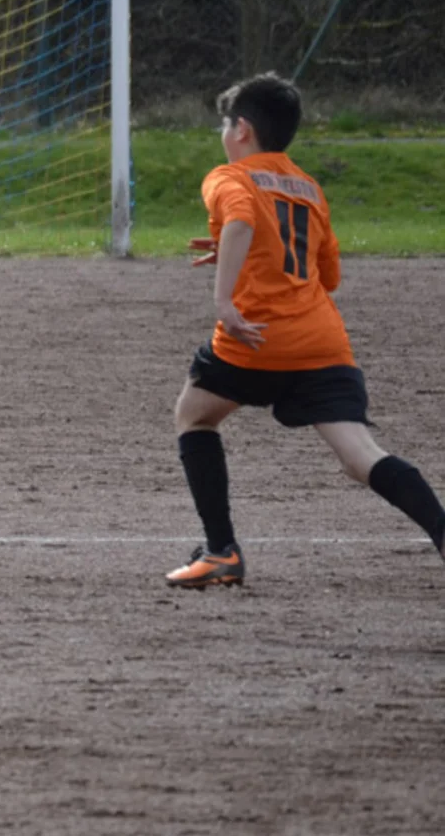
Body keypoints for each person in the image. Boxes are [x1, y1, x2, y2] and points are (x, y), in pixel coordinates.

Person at [166, 72, 445, 588]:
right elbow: (327, 274)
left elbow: (243, 220)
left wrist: (225, 297)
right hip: (321, 344)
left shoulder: (229, 177)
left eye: (225, 123)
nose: (222, 134)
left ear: (243, 129)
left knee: (194, 416)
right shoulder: (308, 187)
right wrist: (245, 255)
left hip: (253, 340)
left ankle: (222, 552)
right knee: (362, 458)